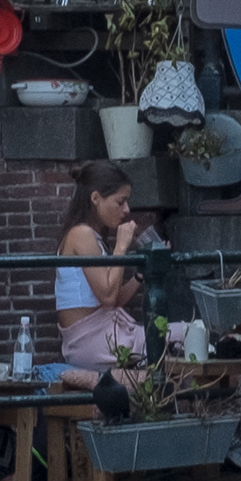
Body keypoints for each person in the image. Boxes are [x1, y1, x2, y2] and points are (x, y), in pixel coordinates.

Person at [54, 162, 157, 384]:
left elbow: (113, 299)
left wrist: (141, 274)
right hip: (89, 340)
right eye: (120, 202)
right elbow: (108, 297)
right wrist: (121, 248)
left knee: (174, 341)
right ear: (96, 198)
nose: (127, 209)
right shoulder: (81, 234)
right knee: (177, 338)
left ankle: (113, 381)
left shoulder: (94, 237)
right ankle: (100, 380)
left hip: (102, 334)